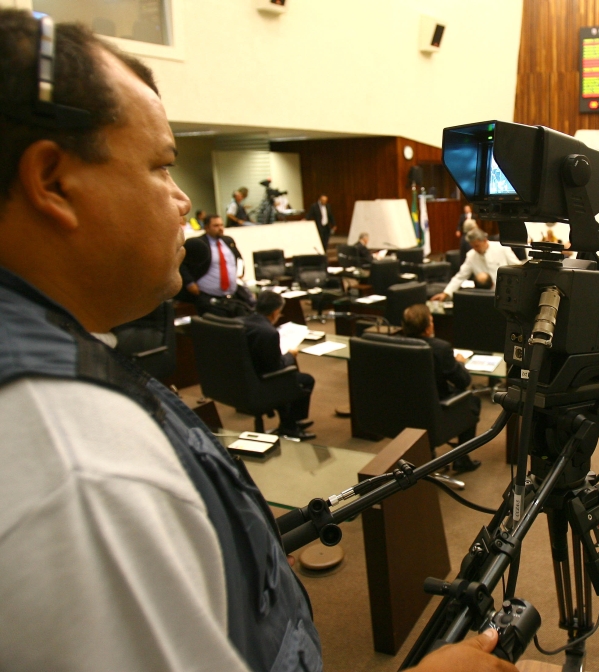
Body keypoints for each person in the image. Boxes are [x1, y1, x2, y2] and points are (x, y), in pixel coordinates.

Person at [0, 12, 514, 672]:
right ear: (52, 182)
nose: (182, 200)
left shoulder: (63, 381)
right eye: (161, 165)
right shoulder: (81, 474)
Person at [402, 304, 481, 473]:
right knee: (472, 400)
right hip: (436, 412)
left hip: (403, 410)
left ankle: (427, 453)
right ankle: (461, 458)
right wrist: (459, 362)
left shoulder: (395, 345)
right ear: (428, 327)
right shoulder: (440, 348)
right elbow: (463, 381)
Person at [243, 292, 316, 440]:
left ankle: (290, 421)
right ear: (276, 311)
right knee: (305, 380)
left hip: (244, 377)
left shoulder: (242, 321)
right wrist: (290, 354)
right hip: (262, 381)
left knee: (291, 375)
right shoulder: (269, 333)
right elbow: (276, 366)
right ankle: (290, 426)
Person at [179, 214, 253, 316]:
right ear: (206, 227)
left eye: (221, 225)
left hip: (230, 296)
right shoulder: (199, 244)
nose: (220, 228)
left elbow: (238, 258)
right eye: (216, 226)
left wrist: (241, 272)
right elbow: (182, 264)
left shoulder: (228, 241)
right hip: (207, 297)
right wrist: (190, 283)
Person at [432, 228, 520, 301]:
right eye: (473, 246)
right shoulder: (471, 255)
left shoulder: (502, 248)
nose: (475, 249)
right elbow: (460, 276)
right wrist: (446, 293)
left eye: (477, 246)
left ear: (485, 240)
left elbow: (518, 267)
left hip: (506, 293)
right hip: (484, 296)